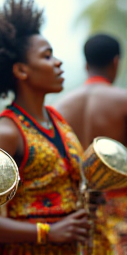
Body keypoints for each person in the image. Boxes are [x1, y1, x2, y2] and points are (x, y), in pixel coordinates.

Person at [0, 0, 112, 255]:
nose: (58, 63)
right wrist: (46, 232)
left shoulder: (58, 120)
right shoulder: (8, 131)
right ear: (22, 70)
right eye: (47, 56)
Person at [55, 33, 127, 255]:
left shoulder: (60, 107)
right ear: (116, 62)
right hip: (119, 211)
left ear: (86, 64)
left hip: (74, 215)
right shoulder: (123, 101)